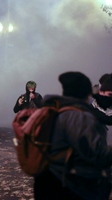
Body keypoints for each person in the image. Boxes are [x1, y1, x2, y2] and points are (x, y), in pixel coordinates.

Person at [34, 72, 112, 200]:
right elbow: (96, 154)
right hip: (70, 185)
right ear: (87, 95)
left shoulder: (53, 110)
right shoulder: (78, 116)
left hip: (47, 180)